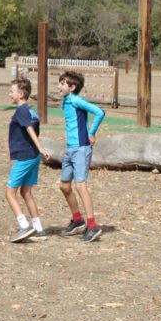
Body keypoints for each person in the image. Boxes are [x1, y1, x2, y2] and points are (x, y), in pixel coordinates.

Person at [57, 71, 106, 243]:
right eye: (60, 83)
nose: (59, 86)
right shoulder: (66, 101)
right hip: (70, 149)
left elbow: (99, 112)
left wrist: (91, 133)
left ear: (72, 87)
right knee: (64, 186)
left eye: (62, 83)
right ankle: (77, 220)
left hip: (81, 149)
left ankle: (92, 226)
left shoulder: (77, 100)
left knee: (80, 186)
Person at [5, 78, 51, 243]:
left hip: (26, 156)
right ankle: (39, 229)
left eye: (12, 91)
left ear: (21, 94)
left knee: (10, 192)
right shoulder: (31, 111)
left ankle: (24, 225)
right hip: (32, 156)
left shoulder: (22, 111)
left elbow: (29, 129)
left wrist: (40, 147)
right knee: (26, 192)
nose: (10, 94)